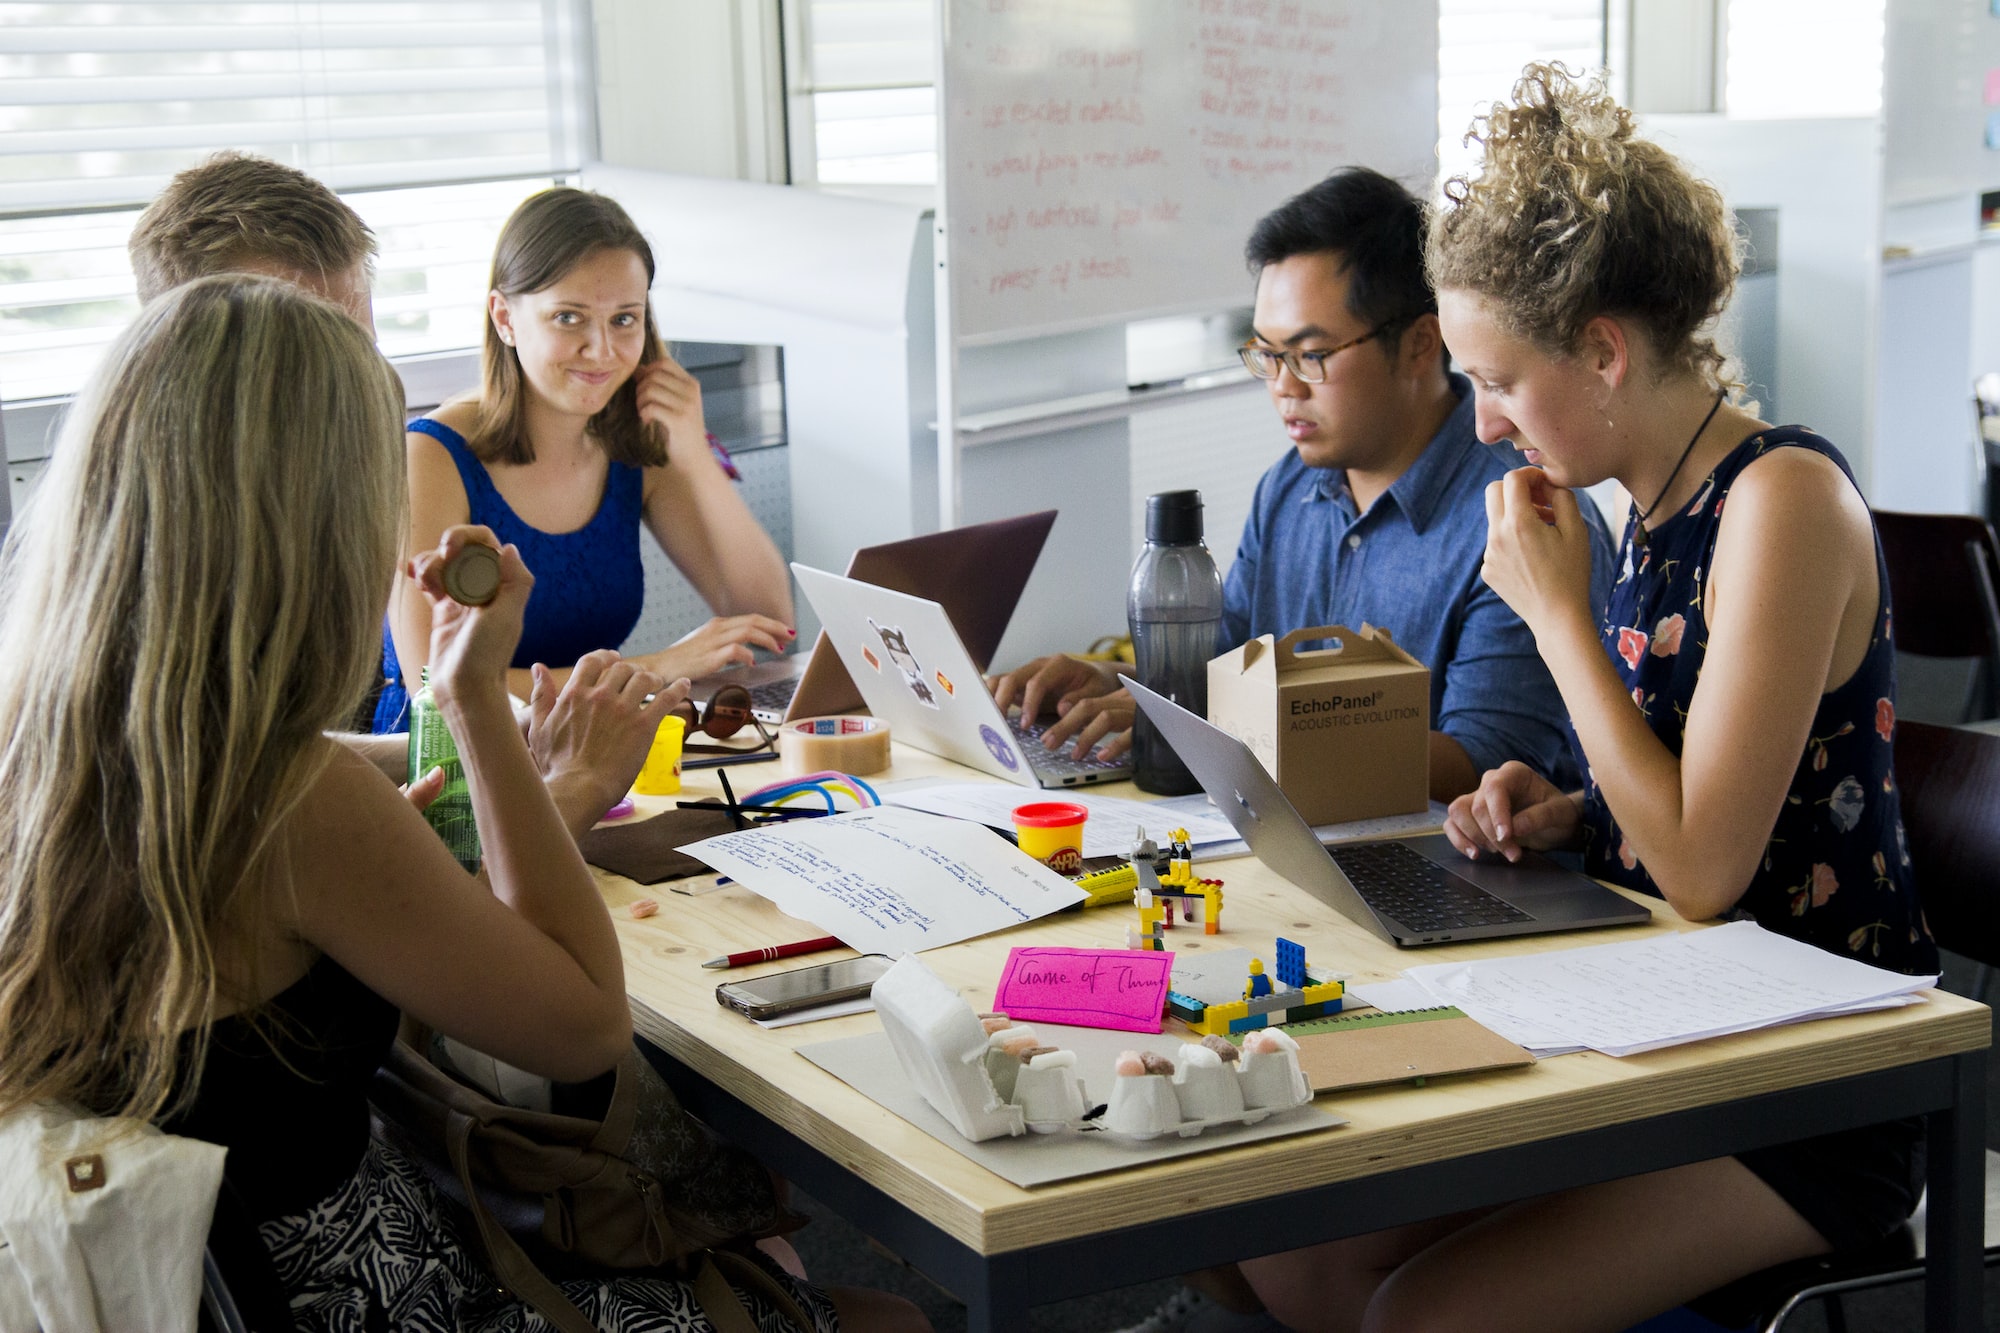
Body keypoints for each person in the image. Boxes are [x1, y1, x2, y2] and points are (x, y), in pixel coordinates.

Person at [0, 273, 926, 1332]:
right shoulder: (299, 804)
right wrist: (482, 706)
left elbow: (358, 763)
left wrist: (462, 715)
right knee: (879, 1319)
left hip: (185, 1277)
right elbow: (579, 1024)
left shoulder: (54, 745)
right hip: (371, 1295)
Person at [1229, 65, 1938, 1333]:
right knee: (1297, 1251)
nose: (1488, 425)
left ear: (1602, 351)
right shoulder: (1647, 502)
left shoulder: (1776, 503)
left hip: (1807, 1087)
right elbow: (1672, 790)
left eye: (1496, 380)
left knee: (1407, 1315)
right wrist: (1561, 809)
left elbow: (1707, 869)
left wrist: (1560, 618)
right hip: (1674, 1009)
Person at [991, 167, 1612, 804]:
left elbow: (1491, 763)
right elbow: (1229, 671)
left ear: (1420, 343)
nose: (1283, 385)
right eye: (1267, 354)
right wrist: (1115, 682)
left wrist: (1226, 726)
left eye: (1310, 355)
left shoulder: (1520, 519)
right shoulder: (1289, 488)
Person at [127, 152, 661, 810]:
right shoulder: (152, 566)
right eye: (305, 352)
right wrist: (580, 782)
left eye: (360, 345)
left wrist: (510, 731)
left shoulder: (307, 489)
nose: (357, 385)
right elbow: (244, 806)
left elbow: (281, 760)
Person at [378, 187, 795, 732]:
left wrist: (694, 457)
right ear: (505, 317)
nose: (601, 350)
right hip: (447, 772)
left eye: (625, 319)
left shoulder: (634, 443)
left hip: (580, 750)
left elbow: (770, 623)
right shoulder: (430, 455)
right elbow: (436, 689)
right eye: (569, 318)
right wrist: (653, 669)